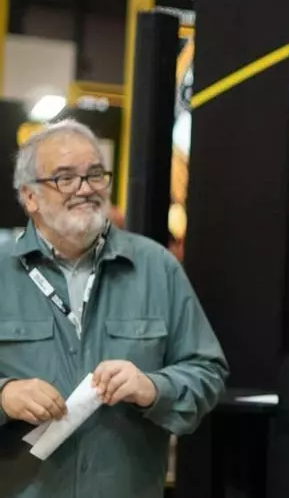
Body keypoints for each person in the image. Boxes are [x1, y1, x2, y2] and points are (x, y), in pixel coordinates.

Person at [0, 119, 228, 498]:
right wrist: (4, 396)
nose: (85, 188)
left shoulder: (156, 267)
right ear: (29, 196)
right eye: (65, 178)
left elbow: (208, 373)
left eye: (95, 174)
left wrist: (153, 388)